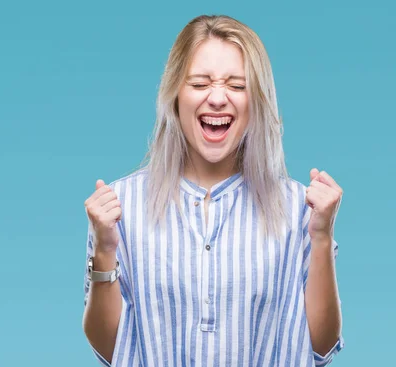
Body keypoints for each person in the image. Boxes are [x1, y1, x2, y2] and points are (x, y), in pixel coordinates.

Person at [82, 14, 344, 367]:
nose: (218, 98)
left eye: (236, 86)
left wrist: (323, 236)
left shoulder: (299, 207)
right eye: (200, 83)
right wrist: (104, 250)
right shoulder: (120, 207)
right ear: (175, 93)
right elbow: (108, 348)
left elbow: (321, 346)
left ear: (257, 101)